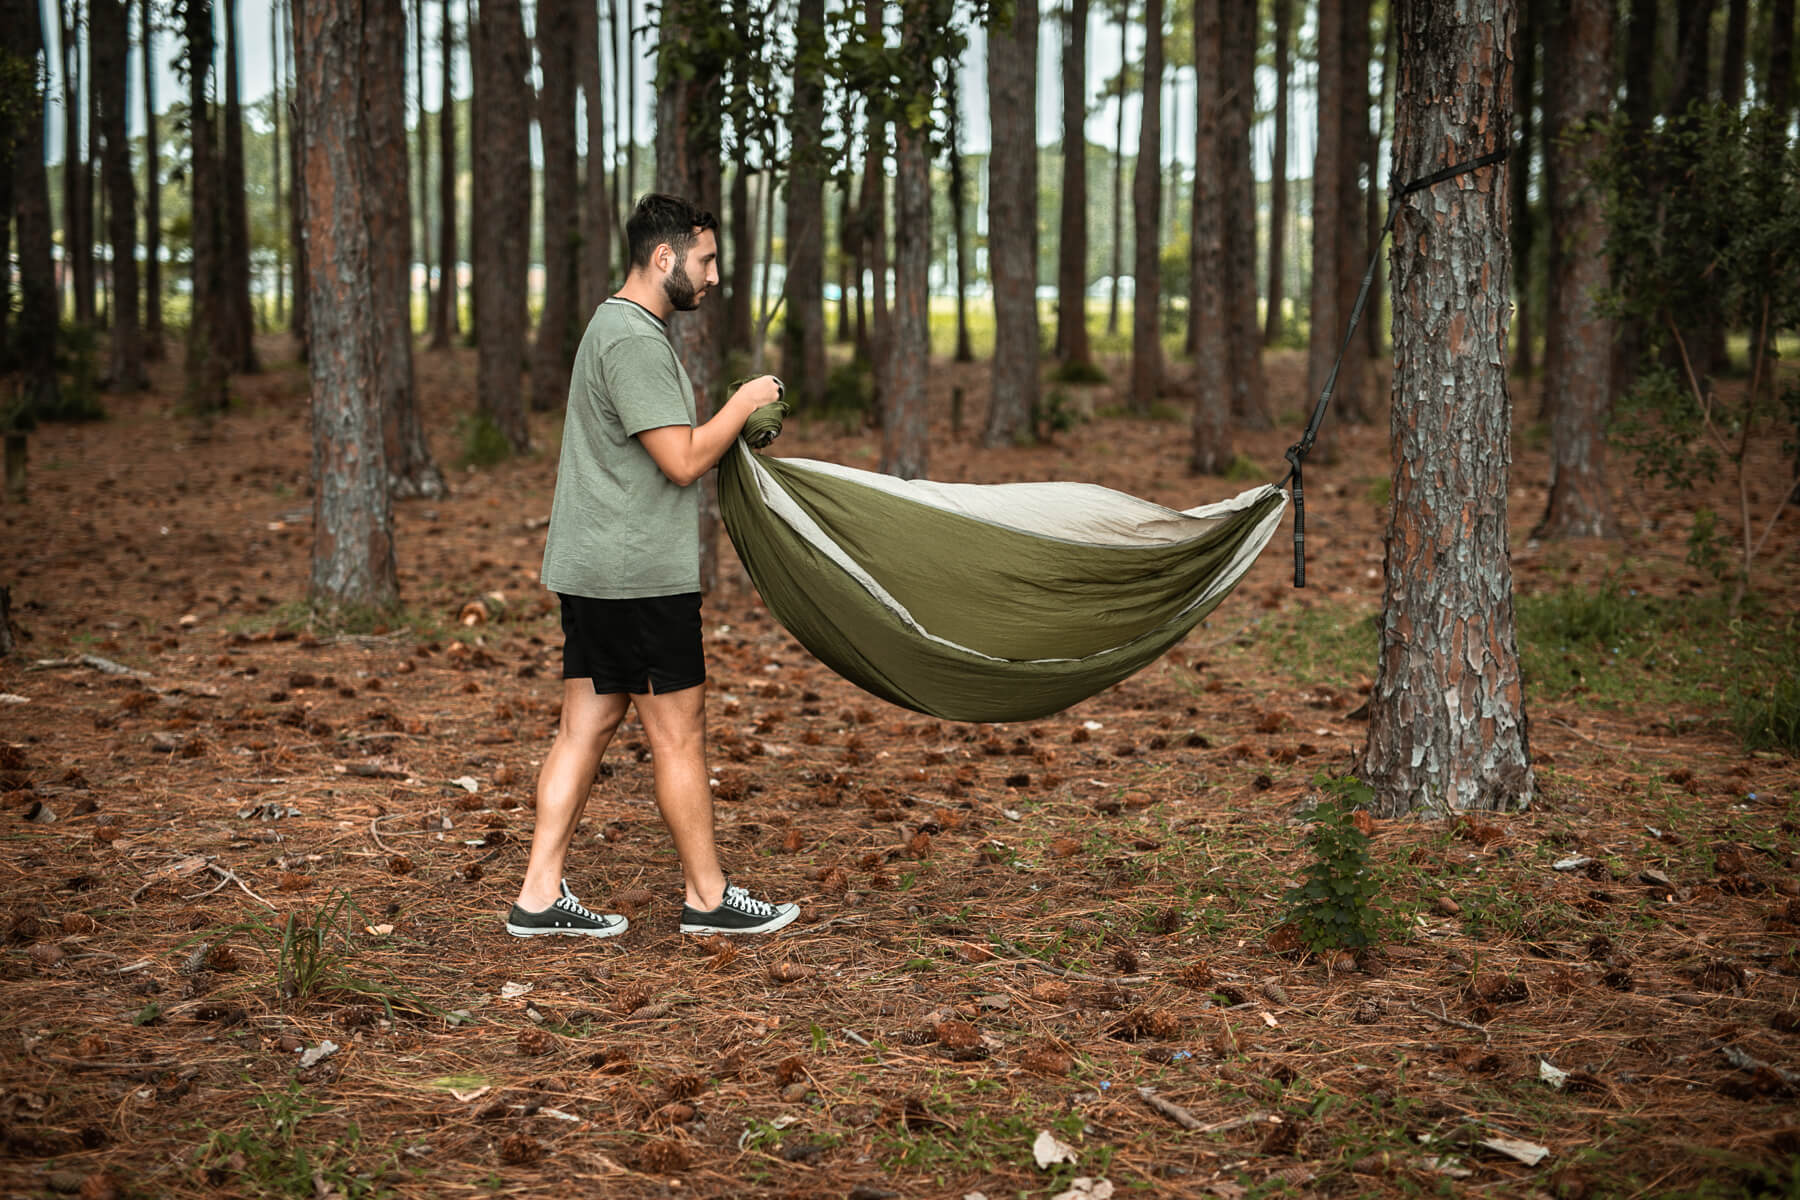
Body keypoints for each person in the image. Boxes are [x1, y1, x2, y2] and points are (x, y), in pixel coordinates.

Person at [506, 193, 797, 939]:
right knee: (678, 732)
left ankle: (539, 894)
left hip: (598, 567)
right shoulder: (632, 340)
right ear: (662, 259)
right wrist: (742, 402)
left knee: (587, 724)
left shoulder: (613, 326)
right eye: (705, 260)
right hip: (636, 575)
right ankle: (708, 898)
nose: (715, 277)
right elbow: (681, 460)